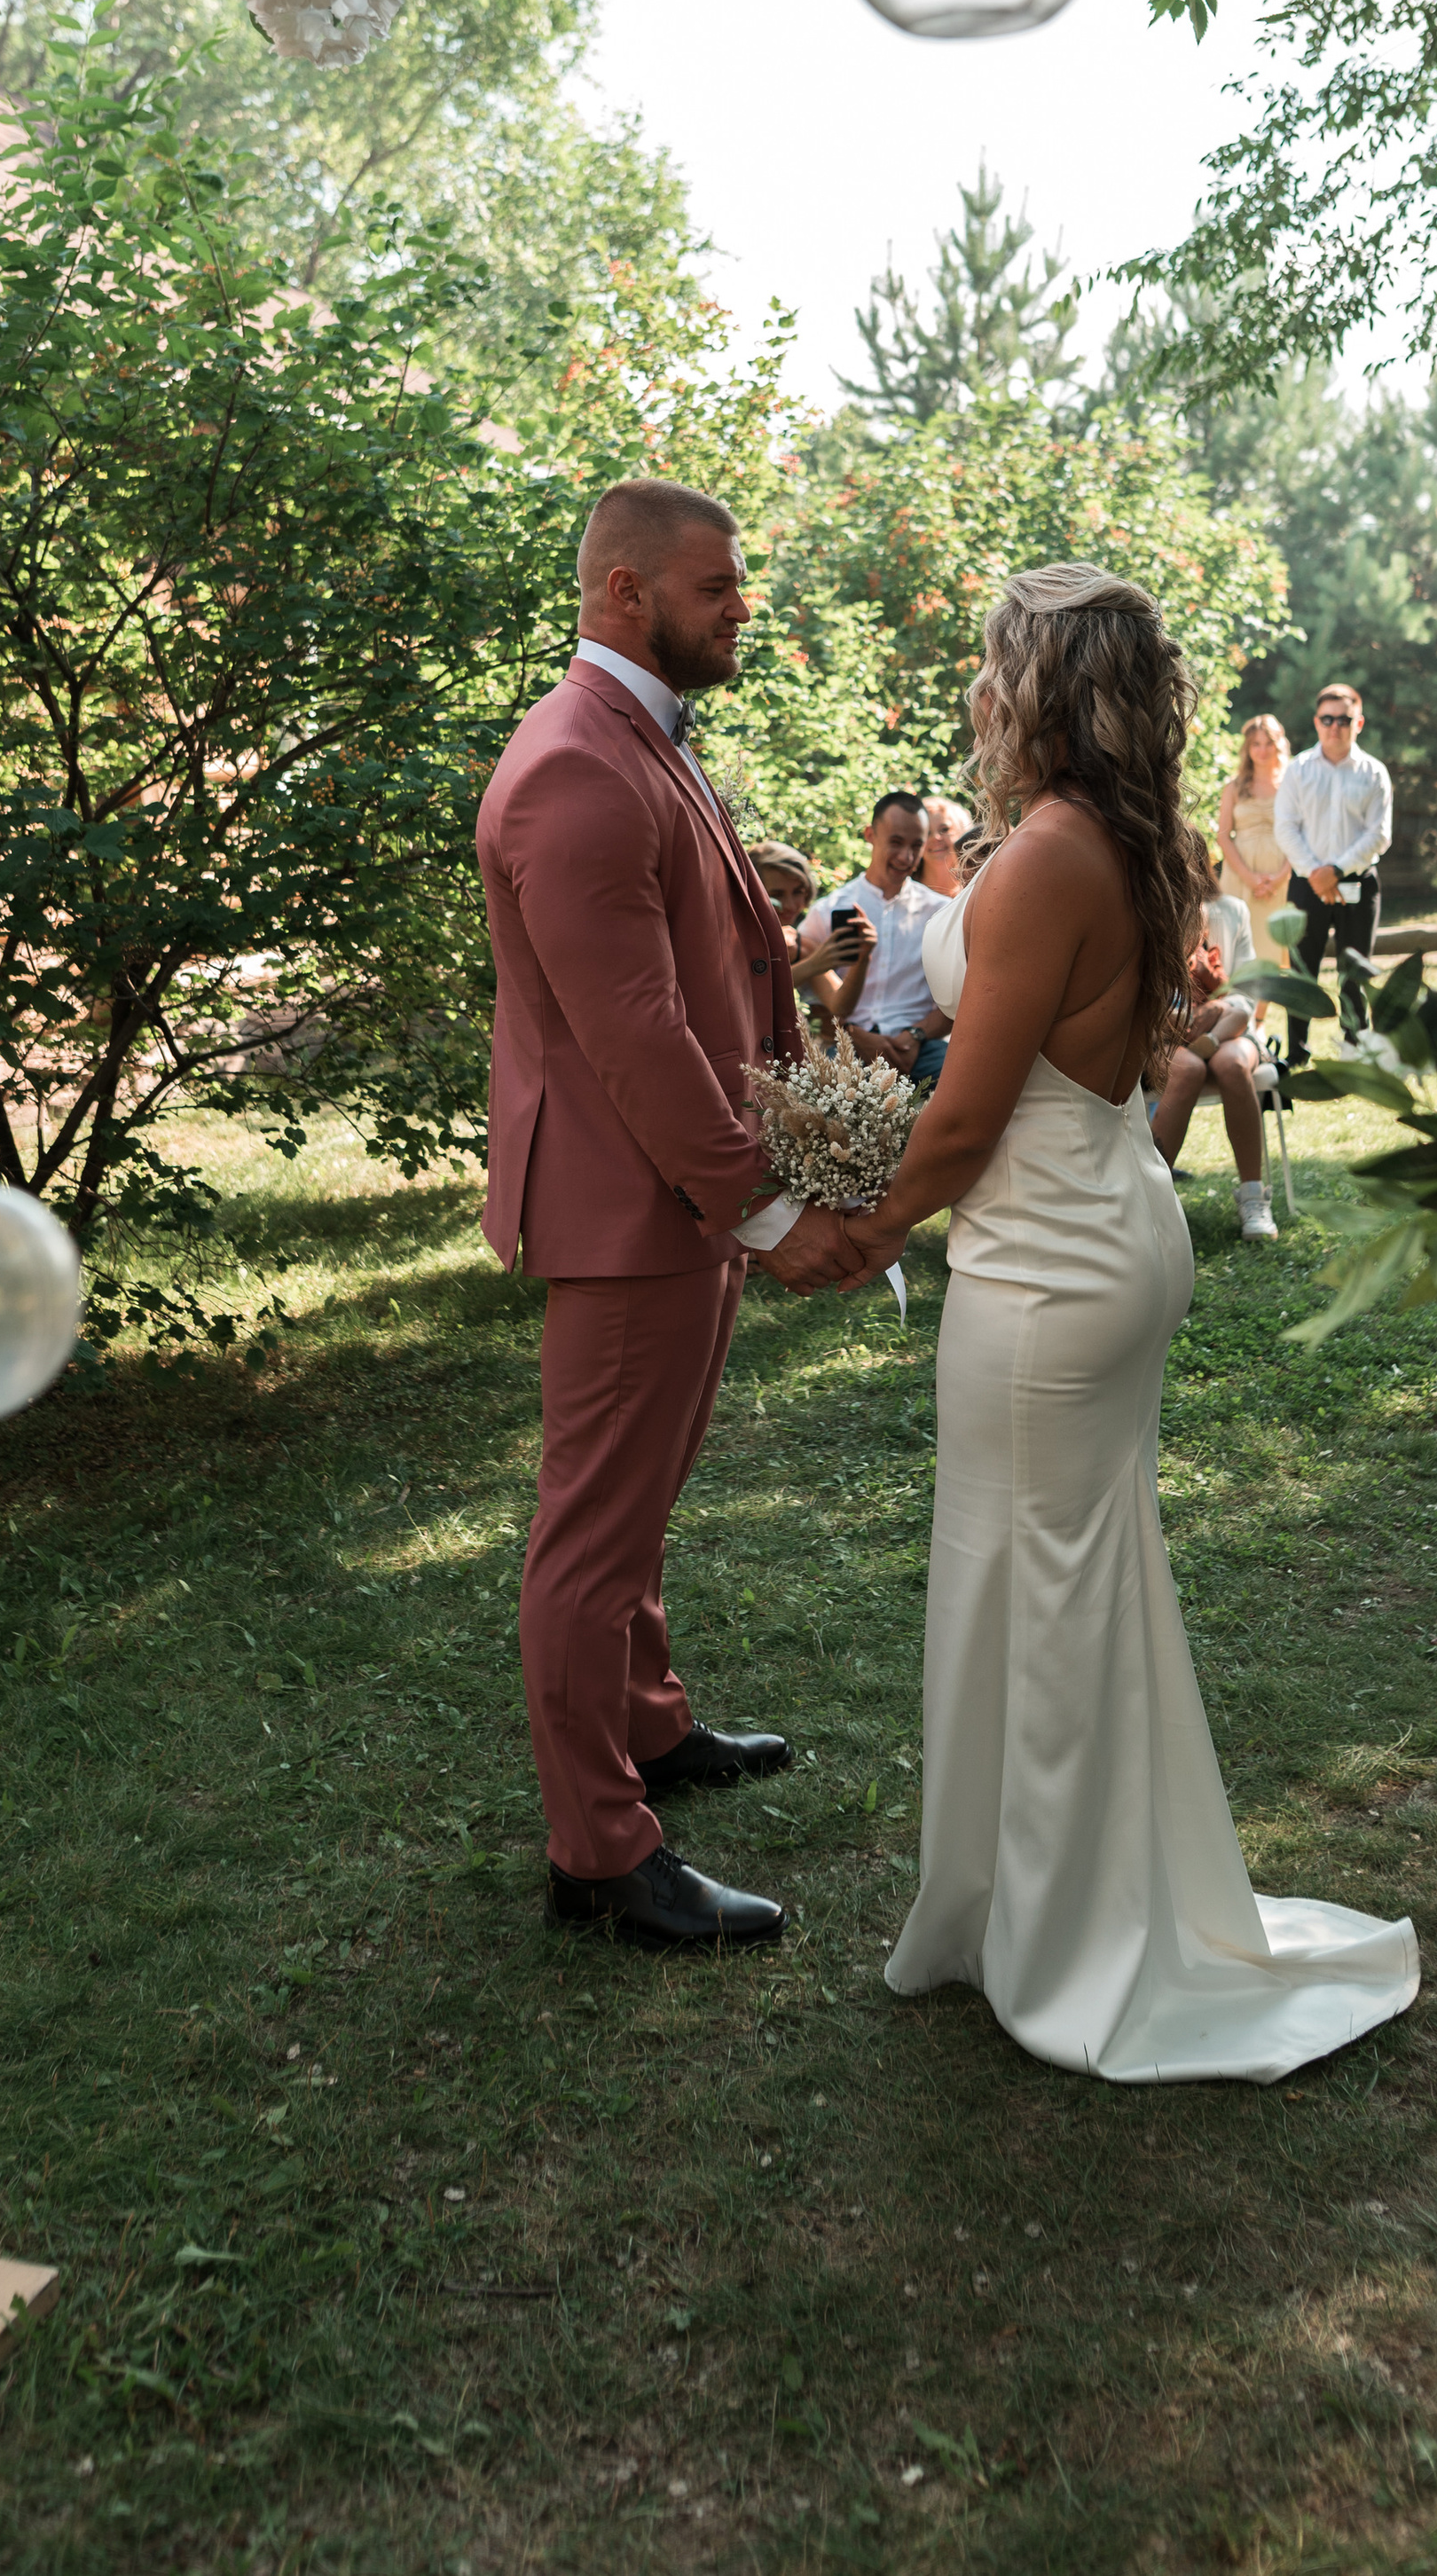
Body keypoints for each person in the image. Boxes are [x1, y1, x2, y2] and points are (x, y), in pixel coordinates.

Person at [841, 564, 1418, 2080]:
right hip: (1094, 1225)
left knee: (1035, 1588)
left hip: (1043, 1265)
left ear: (1034, 686)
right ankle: (1026, 1904)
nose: (976, 691)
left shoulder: (1042, 856)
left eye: (992, 665)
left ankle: (1065, 1942)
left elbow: (963, 1120)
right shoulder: (1126, 840)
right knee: (1059, 1580)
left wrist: (853, 1228)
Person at [476, 477, 872, 1957]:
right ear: (626, 591)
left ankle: (646, 1728)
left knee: (639, 1502)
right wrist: (768, 1209)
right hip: (630, 1200)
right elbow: (636, 1035)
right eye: (717, 583)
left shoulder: (636, 732)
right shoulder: (579, 763)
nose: (743, 603)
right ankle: (600, 1851)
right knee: (590, 1535)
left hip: (668, 1196)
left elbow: (684, 957)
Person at [1148, 865, 1276, 1242]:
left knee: (1232, 1063)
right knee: (1185, 1068)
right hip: (1167, 1036)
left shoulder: (1228, 915)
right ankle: (1152, 1197)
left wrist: (1215, 1011)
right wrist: (1172, 1019)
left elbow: (1242, 993)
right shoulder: (1144, 917)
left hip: (1221, 1029)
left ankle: (1254, 1196)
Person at [1273, 685, 1393, 1066]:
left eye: (1344, 719)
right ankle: (1297, 1053)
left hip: (1358, 883)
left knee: (1354, 969)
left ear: (1358, 723)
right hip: (1307, 886)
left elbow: (1379, 834)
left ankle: (1355, 1047)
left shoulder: (1374, 773)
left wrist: (1336, 871)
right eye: (1328, 719)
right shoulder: (1298, 770)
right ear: (1316, 722)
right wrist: (1316, 874)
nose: (1335, 727)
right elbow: (1285, 828)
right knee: (1301, 970)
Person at [816, 793, 951, 1088]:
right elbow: (812, 1000)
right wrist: (855, 1035)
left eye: (916, 845)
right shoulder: (826, 911)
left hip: (921, 1047)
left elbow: (957, 1000)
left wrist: (914, 1037)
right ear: (870, 835)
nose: (906, 857)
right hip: (850, 1045)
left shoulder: (941, 913)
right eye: (896, 842)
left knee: (964, 1082)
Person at [745, 840, 872, 1023]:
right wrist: (811, 966)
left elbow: (840, 1006)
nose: (790, 905)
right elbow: (746, 997)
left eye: (798, 892)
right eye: (777, 895)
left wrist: (863, 958)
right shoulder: (732, 939)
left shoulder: (801, 947)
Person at [1217, 714, 1292, 956]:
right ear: (1248, 748)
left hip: (1279, 879)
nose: (1262, 750)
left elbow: (1300, 835)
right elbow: (1223, 836)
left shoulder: (1291, 786)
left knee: (1270, 948)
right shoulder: (1234, 787)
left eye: (1268, 743)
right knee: (1235, 950)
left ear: (1278, 744)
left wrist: (1280, 877)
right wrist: (1249, 877)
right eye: (1256, 744)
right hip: (1240, 876)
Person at [917, 795, 975, 899]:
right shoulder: (905, 890)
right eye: (927, 832)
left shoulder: (976, 887)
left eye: (945, 829)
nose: (935, 837)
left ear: (961, 832)